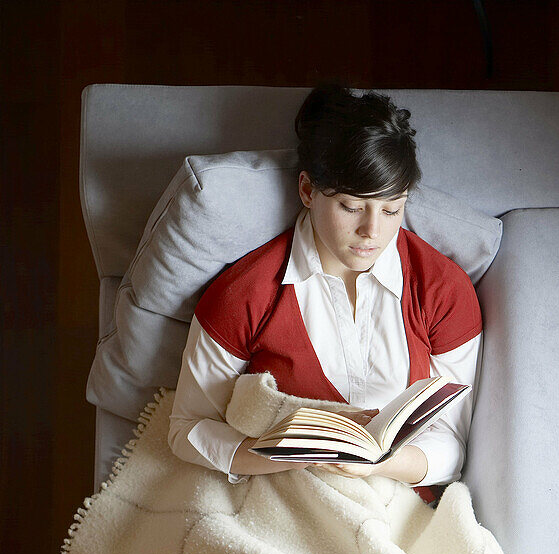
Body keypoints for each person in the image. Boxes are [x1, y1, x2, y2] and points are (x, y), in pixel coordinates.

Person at [168, 82, 483, 507]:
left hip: (396, 505)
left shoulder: (442, 290)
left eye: (392, 209)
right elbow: (186, 429)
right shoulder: (245, 294)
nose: (373, 232)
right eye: (352, 207)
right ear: (307, 191)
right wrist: (288, 457)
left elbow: (453, 444)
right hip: (284, 503)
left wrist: (377, 465)